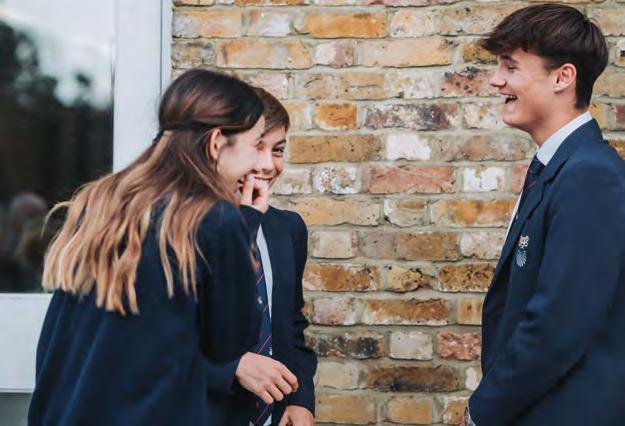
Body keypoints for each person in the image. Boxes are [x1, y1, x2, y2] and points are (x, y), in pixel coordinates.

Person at [28, 69, 276, 425]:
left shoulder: (103, 201)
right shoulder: (215, 220)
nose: (260, 164)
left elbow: (75, 336)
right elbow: (231, 341)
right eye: (255, 145)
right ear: (217, 142)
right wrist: (245, 223)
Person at [462, 4, 625, 426]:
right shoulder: (557, 167)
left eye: (511, 66)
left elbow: (557, 325)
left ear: (562, 77)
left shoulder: (590, 175)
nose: (496, 80)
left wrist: (482, 411)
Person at [202, 88, 317, 426]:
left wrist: (300, 399)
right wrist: (233, 367)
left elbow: (289, 324)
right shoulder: (187, 230)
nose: (268, 165)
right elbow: (152, 347)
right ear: (219, 147)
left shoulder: (288, 228)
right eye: (257, 147)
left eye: (278, 150)